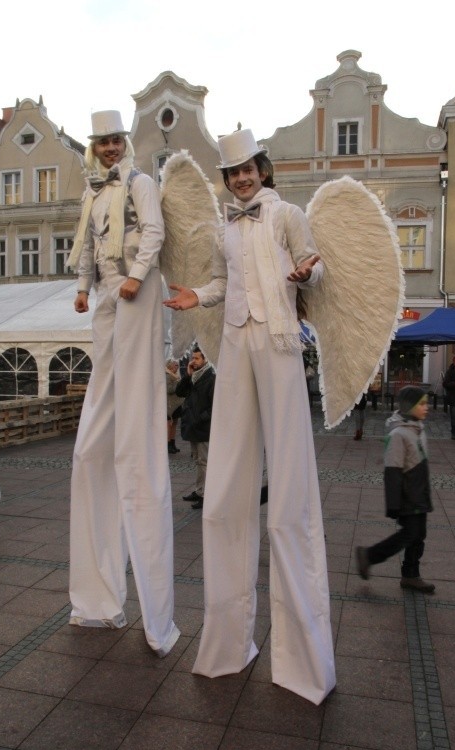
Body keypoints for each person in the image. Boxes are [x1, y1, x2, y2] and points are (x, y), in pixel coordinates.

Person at [164, 128, 335, 704]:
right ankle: (229, 641)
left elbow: (315, 267)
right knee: (226, 487)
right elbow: (219, 280)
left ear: (262, 169)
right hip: (236, 346)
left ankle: (302, 657)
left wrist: (306, 271)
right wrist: (198, 298)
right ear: (227, 180)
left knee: (289, 486)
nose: (241, 178)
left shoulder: (287, 215)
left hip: (282, 344)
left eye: (248, 169)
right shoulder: (223, 228)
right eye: (232, 173)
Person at [65, 110, 180, 657]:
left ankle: (136, 417)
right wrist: (85, 286)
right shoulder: (92, 191)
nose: (109, 149)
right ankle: (96, 597)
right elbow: (87, 242)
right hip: (108, 293)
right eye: (102, 143)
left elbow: (154, 231)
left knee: (133, 382)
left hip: (135, 286)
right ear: (94, 147)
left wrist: (137, 276)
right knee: (100, 397)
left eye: (115, 141)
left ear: (124, 143)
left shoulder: (139, 182)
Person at [356, 386, 435, 593]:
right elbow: (392, 471)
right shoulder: (399, 434)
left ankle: (411, 575)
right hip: (408, 495)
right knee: (409, 535)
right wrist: (393, 504)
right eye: (422, 404)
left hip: (419, 494)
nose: (427, 408)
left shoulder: (418, 428)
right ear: (410, 406)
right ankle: (369, 556)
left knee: (418, 535)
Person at [176, 346, 215, 510]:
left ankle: (207, 495)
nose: (193, 361)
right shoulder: (194, 376)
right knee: (198, 462)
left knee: (205, 463)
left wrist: (200, 419)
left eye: (197, 358)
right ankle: (199, 491)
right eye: (192, 358)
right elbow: (179, 392)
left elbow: (214, 405)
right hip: (193, 426)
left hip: (203, 428)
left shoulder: (211, 377)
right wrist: (187, 375)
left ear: (205, 359)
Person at [165, 359, 182, 454]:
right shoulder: (168, 376)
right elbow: (169, 389)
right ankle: (168, 444)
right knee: (169, 425)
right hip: (169, 405)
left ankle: (172, 443)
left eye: (178, 365)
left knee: (174, 424)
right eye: (176, 365)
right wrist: (178, 383)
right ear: (170, 366)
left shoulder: (175, 376)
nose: (177, 367)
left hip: (175, 404)